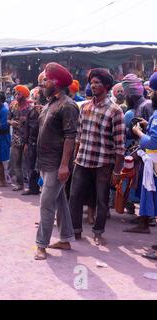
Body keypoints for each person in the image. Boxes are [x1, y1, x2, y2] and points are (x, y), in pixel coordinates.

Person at [70, 69, 125, 246]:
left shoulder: (115, 111)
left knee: (102, 200)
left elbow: (119, 146)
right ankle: (75, 231)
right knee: (75, 196)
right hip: (83, 160)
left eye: (97, 82)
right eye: (92, 82)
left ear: (107, 86)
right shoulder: (85, 107)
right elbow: (79, 136)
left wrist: (117, 171)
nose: (93, 85)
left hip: (103, 163)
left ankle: (98, 232)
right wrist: (74, 158)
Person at [35, 63, 79, 261]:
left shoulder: (68, 105)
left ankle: (41, 245)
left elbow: (71, 137)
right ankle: (66, 239)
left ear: (56, 82)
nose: (43, 84)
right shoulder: (51, 103)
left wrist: (64, 165)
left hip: (56, 164)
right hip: (46, 162)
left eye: (46, 80)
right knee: (60, 201)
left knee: (46, 204)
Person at [124, 72, 157, 236]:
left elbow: (152, 138)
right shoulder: (139, 107)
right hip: (145, 154)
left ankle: (146, 220)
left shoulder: (146, 106)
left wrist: (137, 132)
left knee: (147, 188)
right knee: (144, 189)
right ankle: (144, 217)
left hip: (149, 155)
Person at [8, 85, 33, 191]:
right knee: (16, 162)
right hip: (16, 138)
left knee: (29, 163)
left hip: (28, 138)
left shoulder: (30, 107)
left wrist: (25, 121)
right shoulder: (13, 105)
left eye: (18, 93)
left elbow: (34, 124)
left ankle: (31, 186)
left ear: (24, 95)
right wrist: (11, 122)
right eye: (15, 93)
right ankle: (20, 184)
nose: (16, 96)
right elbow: (8, 119)